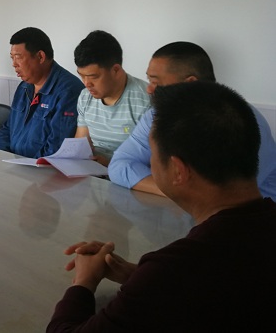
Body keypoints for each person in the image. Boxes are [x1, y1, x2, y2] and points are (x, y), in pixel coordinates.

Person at [47, 81, 276, 332]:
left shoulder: (177, 270)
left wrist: (83, 284)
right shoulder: (185, 272)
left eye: (152, 154)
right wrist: (139, 277)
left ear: (178, 170)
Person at [108, 41, 276, 198]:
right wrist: (170, 192)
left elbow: (225, 195)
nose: (149, 90)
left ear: (190, 83)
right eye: (149, 80)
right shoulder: (156, 116)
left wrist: (174, 191)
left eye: (155, 82)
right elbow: (120, 164)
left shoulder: (238, 120)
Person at [0, 27, 84, 157]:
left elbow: (56, 148)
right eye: (12, 58)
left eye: (18, 57)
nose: (14, 64)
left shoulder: (68, 91)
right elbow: (7, 129)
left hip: (39, 167)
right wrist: (4, 157)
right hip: (13, 163)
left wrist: (24, 165)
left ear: (40, 57)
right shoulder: (23, 87)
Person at [73, 30, 150, 165]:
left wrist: (109, 164)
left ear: (116, 70)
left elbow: (153, 160)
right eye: (82, 76)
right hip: (93, 171)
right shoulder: (85, 97)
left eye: (93, 77)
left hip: (130, 174)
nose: (86, 83)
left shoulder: (145, 100)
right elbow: (81, 143)